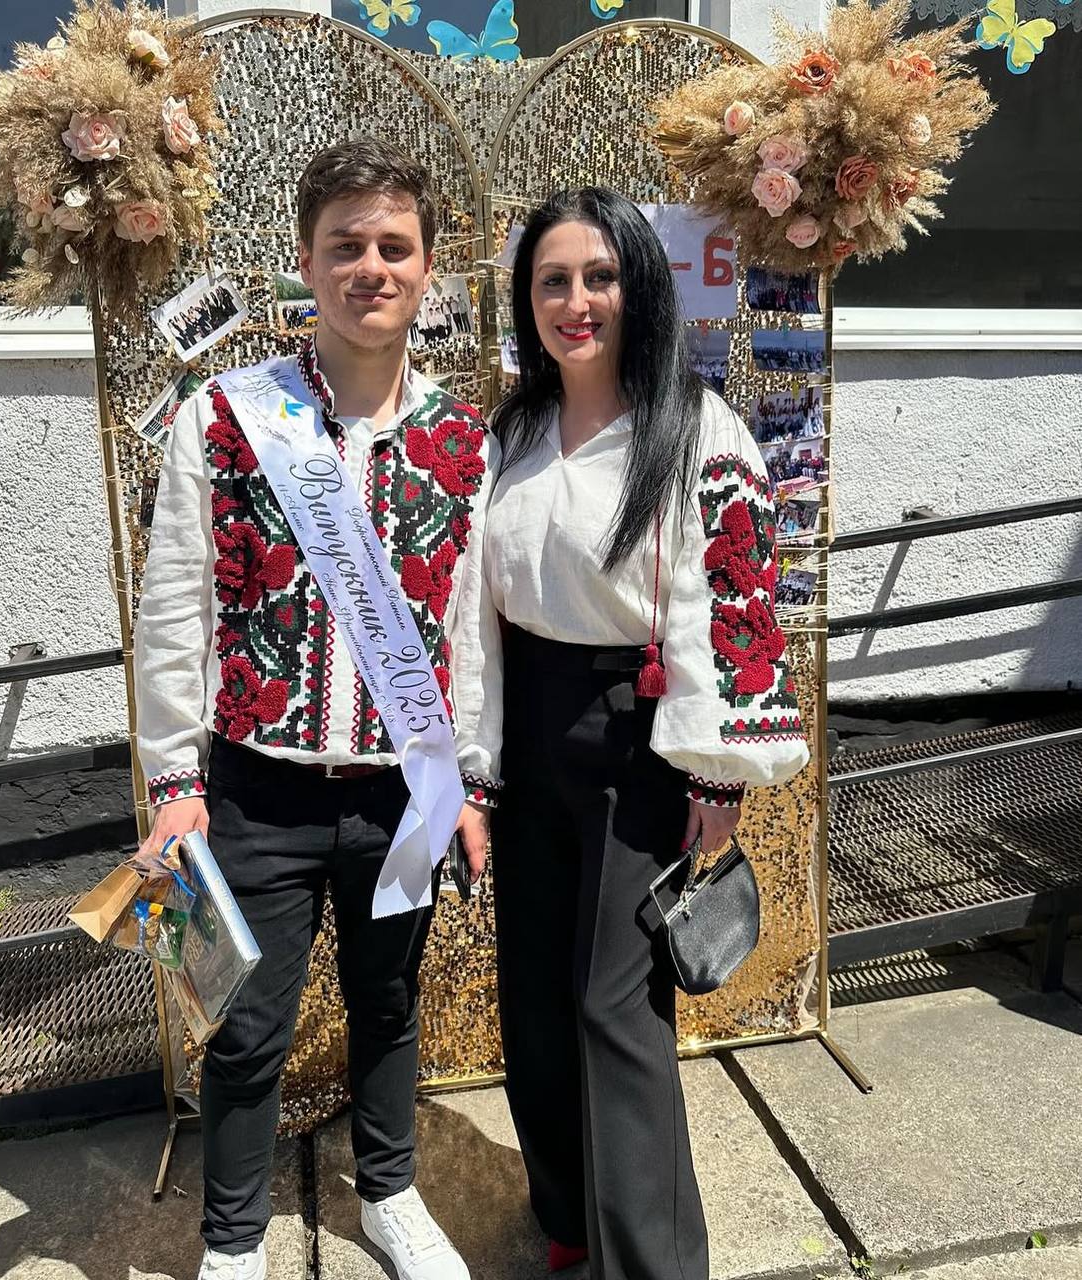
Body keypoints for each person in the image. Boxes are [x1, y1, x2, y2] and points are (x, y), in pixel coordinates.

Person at [134, 136, 499, 1280]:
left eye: (394, 246)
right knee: (243, 1023)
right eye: (346, 245)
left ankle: (389, 1194)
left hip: (404, 790)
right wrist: (173, 782)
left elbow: (471, 632)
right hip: (256, 789)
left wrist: (470, 778)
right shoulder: (224, 417)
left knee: (390, 1004)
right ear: (306, 259)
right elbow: (174, 608)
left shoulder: (465, 441)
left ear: (427, 268)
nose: (370, 267)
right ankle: (233, 1240)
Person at [474, 187, 809, 1280]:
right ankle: (570, 1217)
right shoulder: (512, 431)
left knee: (613, 1006)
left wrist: (717, 773)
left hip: (638, 733)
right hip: (529, 728)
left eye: (599, 276)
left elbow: (731, 601)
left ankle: (654, 1263)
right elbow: (475, 609)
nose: (575, 301)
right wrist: (475, 763)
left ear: (640, 287)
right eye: (552, 280)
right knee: (533, 996)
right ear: (526, 300)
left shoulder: (695, 425)